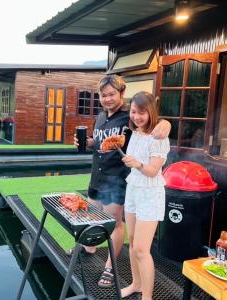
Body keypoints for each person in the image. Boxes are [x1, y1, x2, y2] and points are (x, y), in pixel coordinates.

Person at [74, 75, 171, 288]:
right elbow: (100, 142)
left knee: (115, 225)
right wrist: (89, 142)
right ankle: (90, 247)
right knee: (92, 215)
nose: (107, 99)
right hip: (97, 176)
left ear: (121, 94)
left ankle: (109, 266)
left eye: (112, 94)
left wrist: (166, 124)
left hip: (117, 180)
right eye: (103, 95)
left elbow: (154, 122)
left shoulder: (130, 116)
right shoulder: (100, 117)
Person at [121, 91, 170, 300]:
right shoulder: (135, 132)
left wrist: (138, 164)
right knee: (132, 242)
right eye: (133, 111)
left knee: (142, 249)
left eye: (142, 112)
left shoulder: (159, 137)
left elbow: (152, 170)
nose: (136, 116)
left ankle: (147, 297)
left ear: (150, 112)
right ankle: (136, 284)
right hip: (133, 189)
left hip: (150, 193)